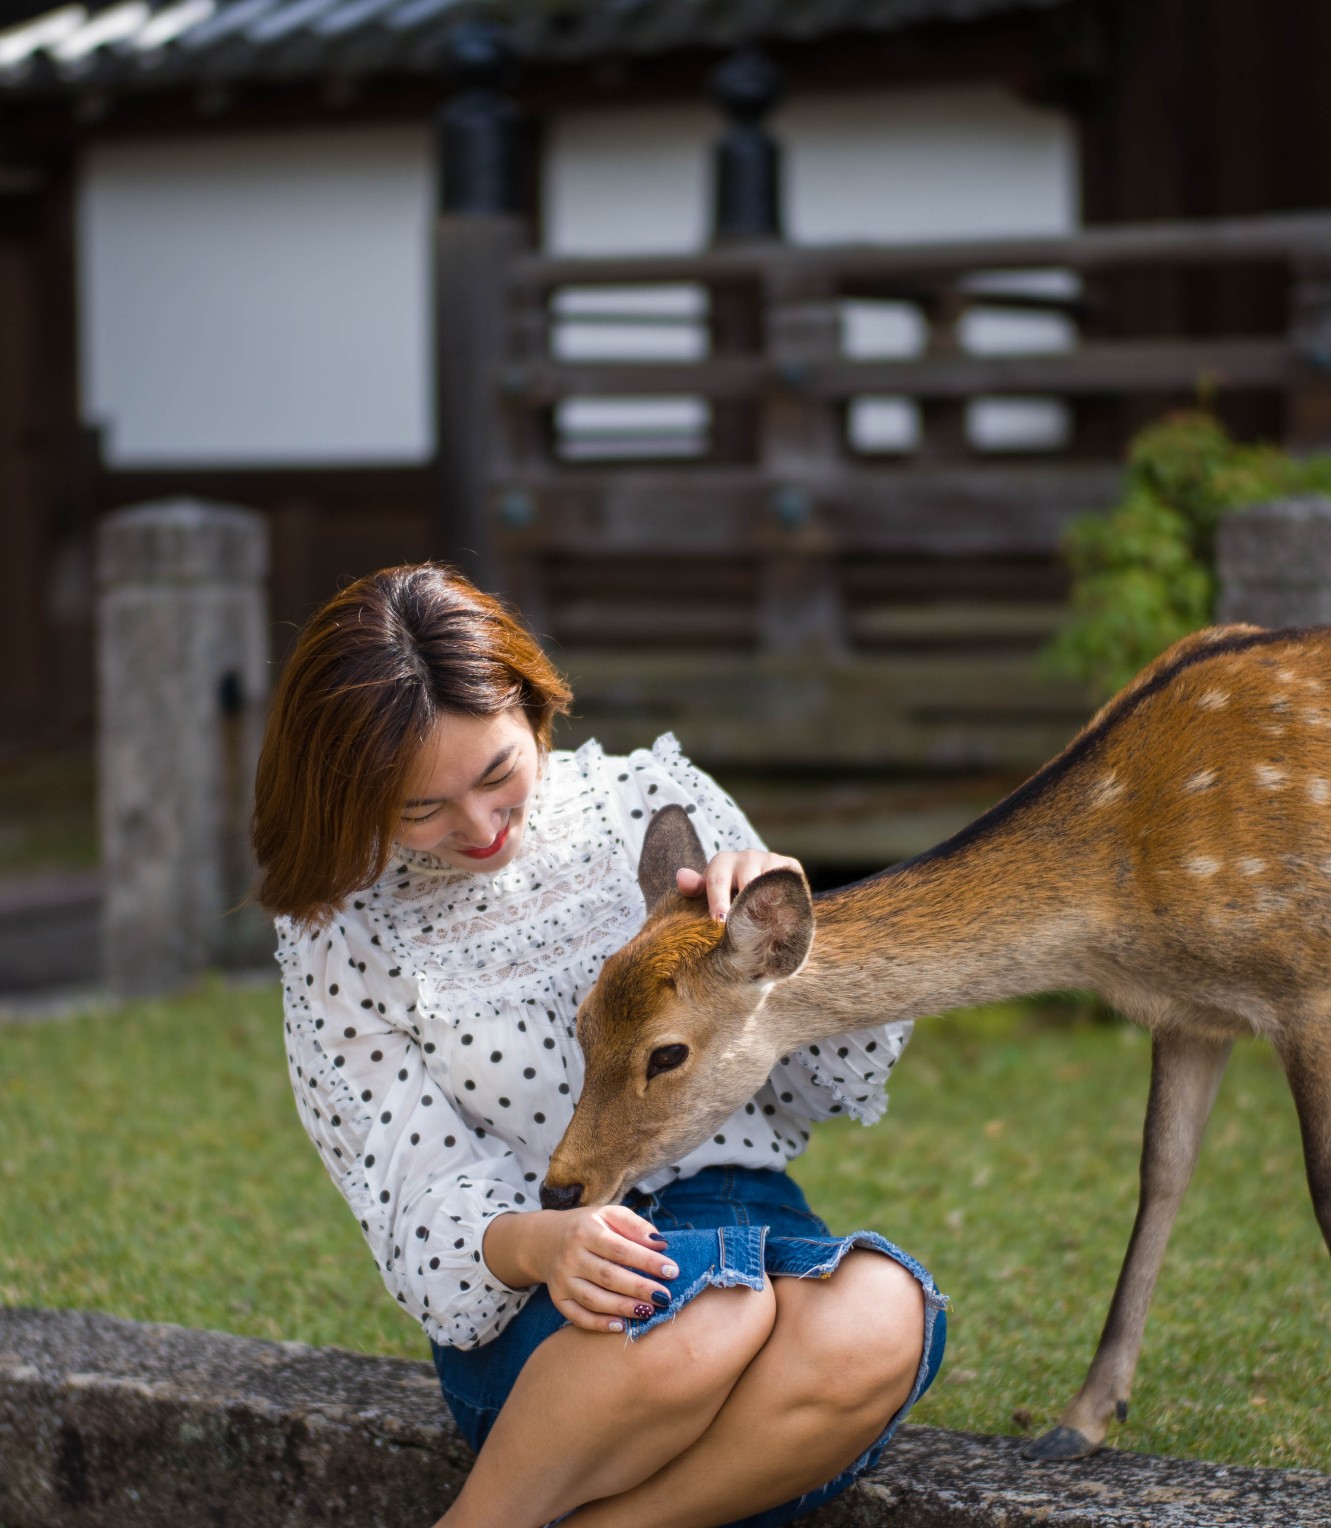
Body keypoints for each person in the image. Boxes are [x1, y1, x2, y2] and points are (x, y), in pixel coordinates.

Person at [252, 564, 945, 1528]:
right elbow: (415, 1204)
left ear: (533, 704)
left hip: (746, 1218)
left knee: (882, 1314)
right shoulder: (345, 934)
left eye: (497, 774)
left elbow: (819, 1077)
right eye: (422, 808)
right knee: (707, 1313)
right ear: (352, 793)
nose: (480, 825)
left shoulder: (651, 800)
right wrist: (546, 1244)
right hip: (547, 1299)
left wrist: (793, 941)